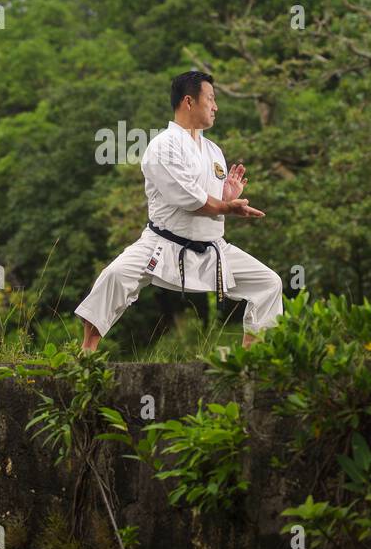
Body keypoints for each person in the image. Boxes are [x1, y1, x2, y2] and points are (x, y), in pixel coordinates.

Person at [75, 70, 284, 352]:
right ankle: (85, 357)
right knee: (114, 277)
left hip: (212, 249)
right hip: (162, 244)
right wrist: (225, 206)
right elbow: (191, 199)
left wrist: (226, 196)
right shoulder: (163, 146)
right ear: (189, 101)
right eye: (210, 99)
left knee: (269, 284)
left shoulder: (213, 151)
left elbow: (206, 196)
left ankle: (250, 360)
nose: (215, 106)